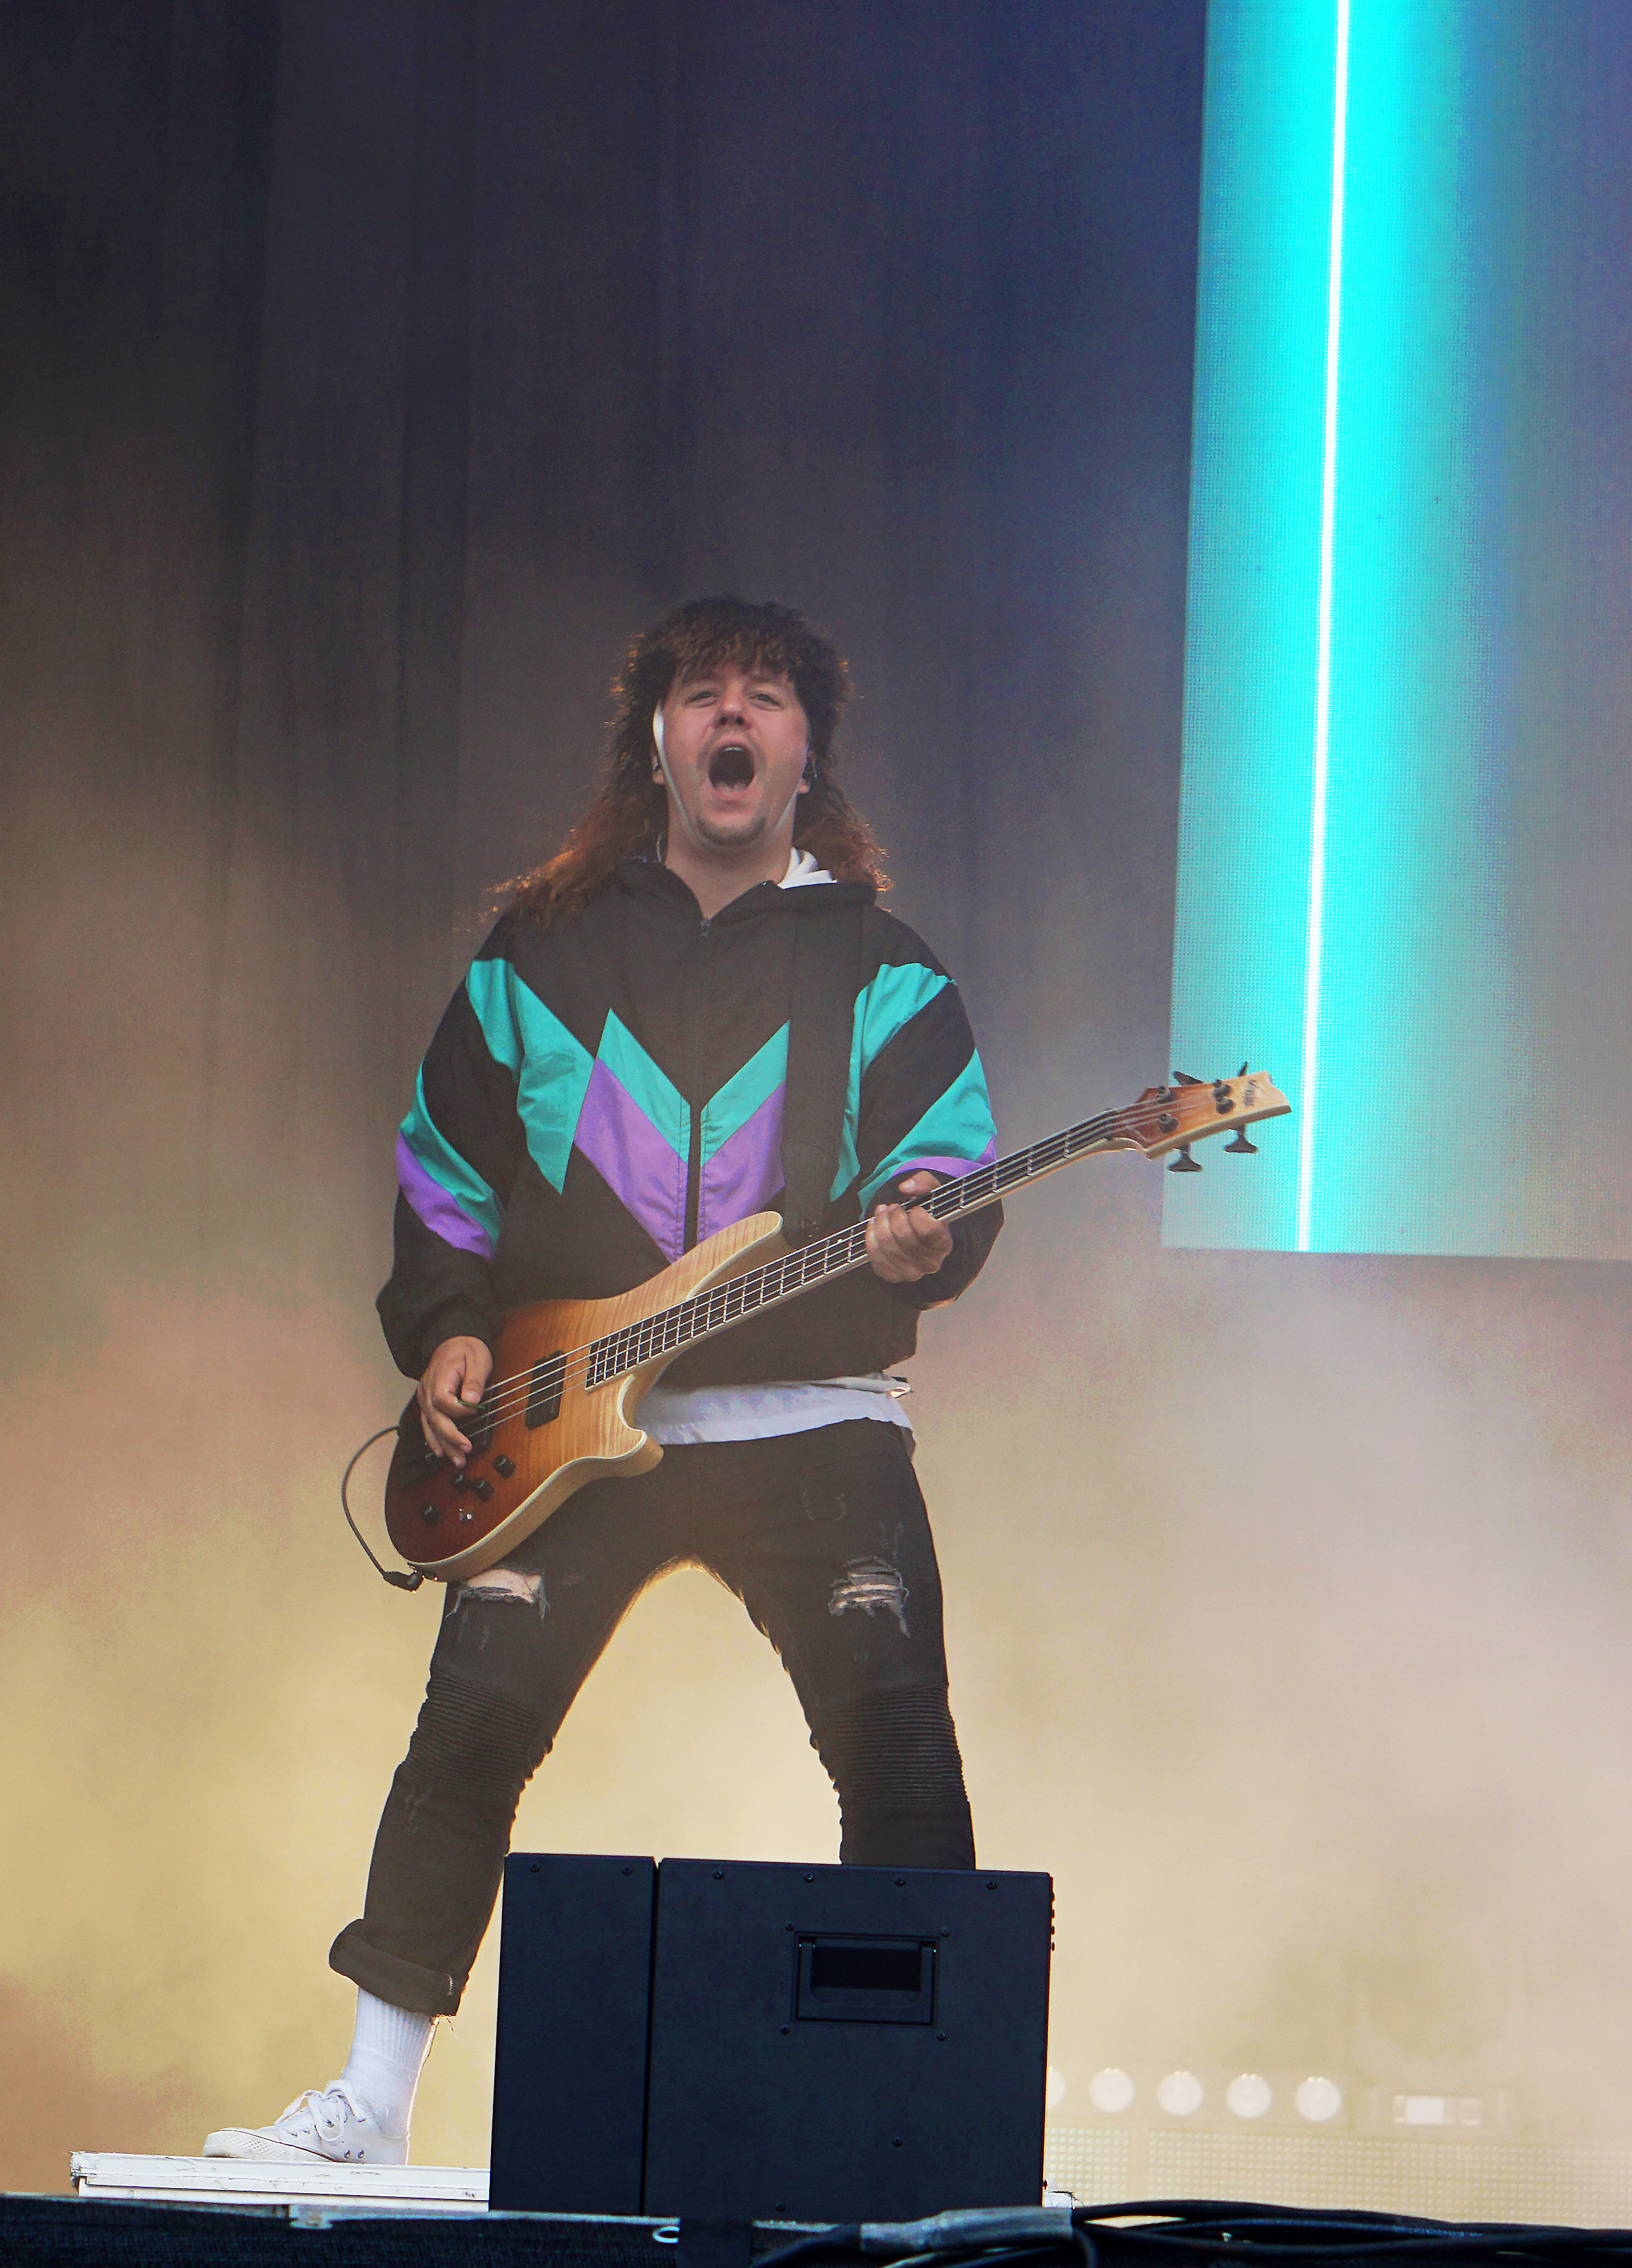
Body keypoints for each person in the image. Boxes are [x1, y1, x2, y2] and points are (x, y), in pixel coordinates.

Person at [204, 596, 1002, 2166]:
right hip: (560, 1420)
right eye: (700, 694)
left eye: (764, 696)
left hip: (814, 1422)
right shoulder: (537, 953)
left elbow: (944, 1157)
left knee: (899, 1755)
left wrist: (927, 1231)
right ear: (655, 741)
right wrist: (448, 1327)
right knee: (466, 1734)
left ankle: (927, 2128)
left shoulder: (887, 970)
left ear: (805, 753)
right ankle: (368, 2105)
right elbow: (445, 1166)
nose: (731, 717)